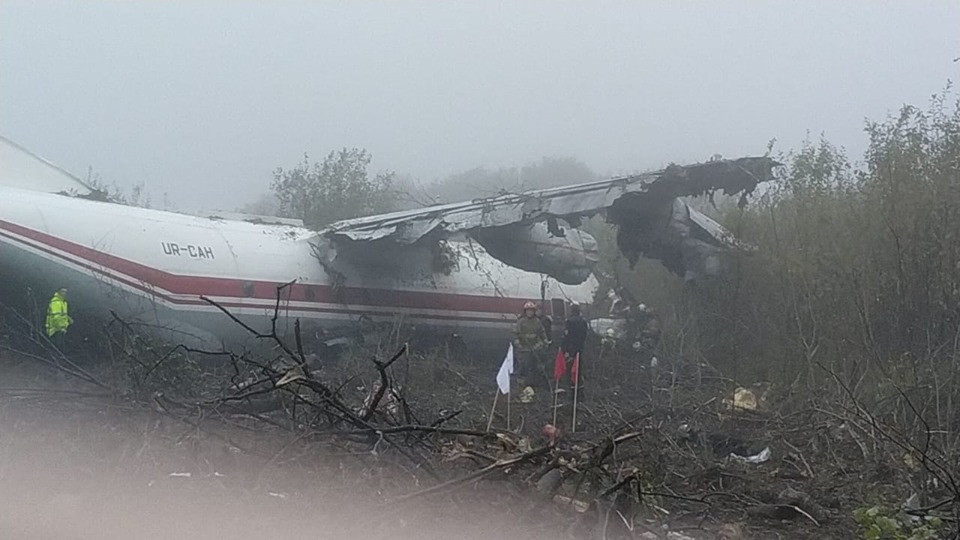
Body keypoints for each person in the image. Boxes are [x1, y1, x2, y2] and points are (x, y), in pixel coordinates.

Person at [513, 301, 548, 387]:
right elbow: (515, 335)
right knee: (522, 367)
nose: (529, 312)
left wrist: (538, 346)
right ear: (525, 311)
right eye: (528, 310)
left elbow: (543, 337)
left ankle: (532, 385)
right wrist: (519, 345)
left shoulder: (537, 322)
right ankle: (520, 384)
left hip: (534, 351)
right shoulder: (521, 322)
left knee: (533, 368)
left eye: (531, 310)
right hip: (523, 350)